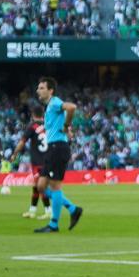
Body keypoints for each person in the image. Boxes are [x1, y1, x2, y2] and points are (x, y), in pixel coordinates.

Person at [33, 77, 83, 233]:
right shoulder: (49, 107)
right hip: (52, 148)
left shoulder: (54, 102)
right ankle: (73, 208)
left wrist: (67, 125)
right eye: (38, 87)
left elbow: (72, 107)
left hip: (58, 148)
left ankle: (53, 224)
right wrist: (66, 128)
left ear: (50, 90)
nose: (38, 90)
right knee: (40, 186)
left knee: (54, 186)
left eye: (41, 88)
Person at [11, 105, 52, 219]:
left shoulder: (32, 127)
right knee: (36, 186)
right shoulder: (48, 126)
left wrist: (15, 154)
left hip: (38, 162)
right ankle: (32, 210)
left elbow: (22, 142)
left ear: (33, 115)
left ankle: (48, 211)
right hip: (48, 160)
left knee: (40, 187)